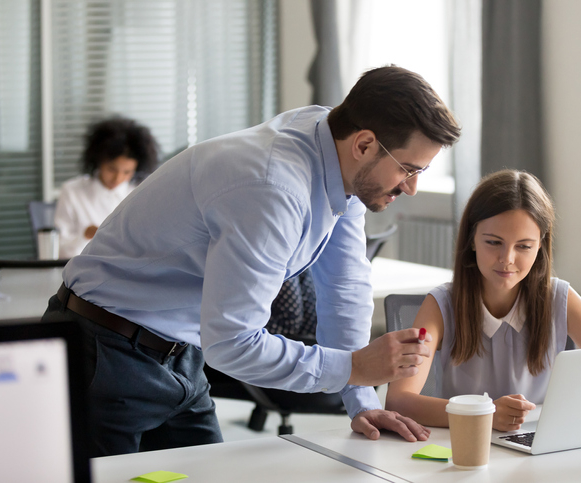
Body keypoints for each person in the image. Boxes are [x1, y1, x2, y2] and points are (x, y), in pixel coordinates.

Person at [41, 65, 461, 456]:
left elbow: (344, 286)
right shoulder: (274, 186)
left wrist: (361, 398)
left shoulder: (337, 150)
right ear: (364, 143)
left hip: (179, 351)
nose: (412, 188)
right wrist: (352, 366)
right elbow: (233, 343)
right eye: (408, 169)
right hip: (105, 350)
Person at [385, 169, 581, 431]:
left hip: (541, 443)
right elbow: (399, 401)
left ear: (540, 244)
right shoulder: (441, 304)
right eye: (494, 242)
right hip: (467, 448)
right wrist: (486, 415)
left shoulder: (558, 297)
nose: (507, 259)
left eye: (523, 246)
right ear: (472, 239)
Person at [54, 116, 159, 258]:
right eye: (111, 169)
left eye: (127, 172)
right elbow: (59, 252)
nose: (118, 178)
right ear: (98, 160)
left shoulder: (140, 192)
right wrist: (84, 236)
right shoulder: (73, 191)